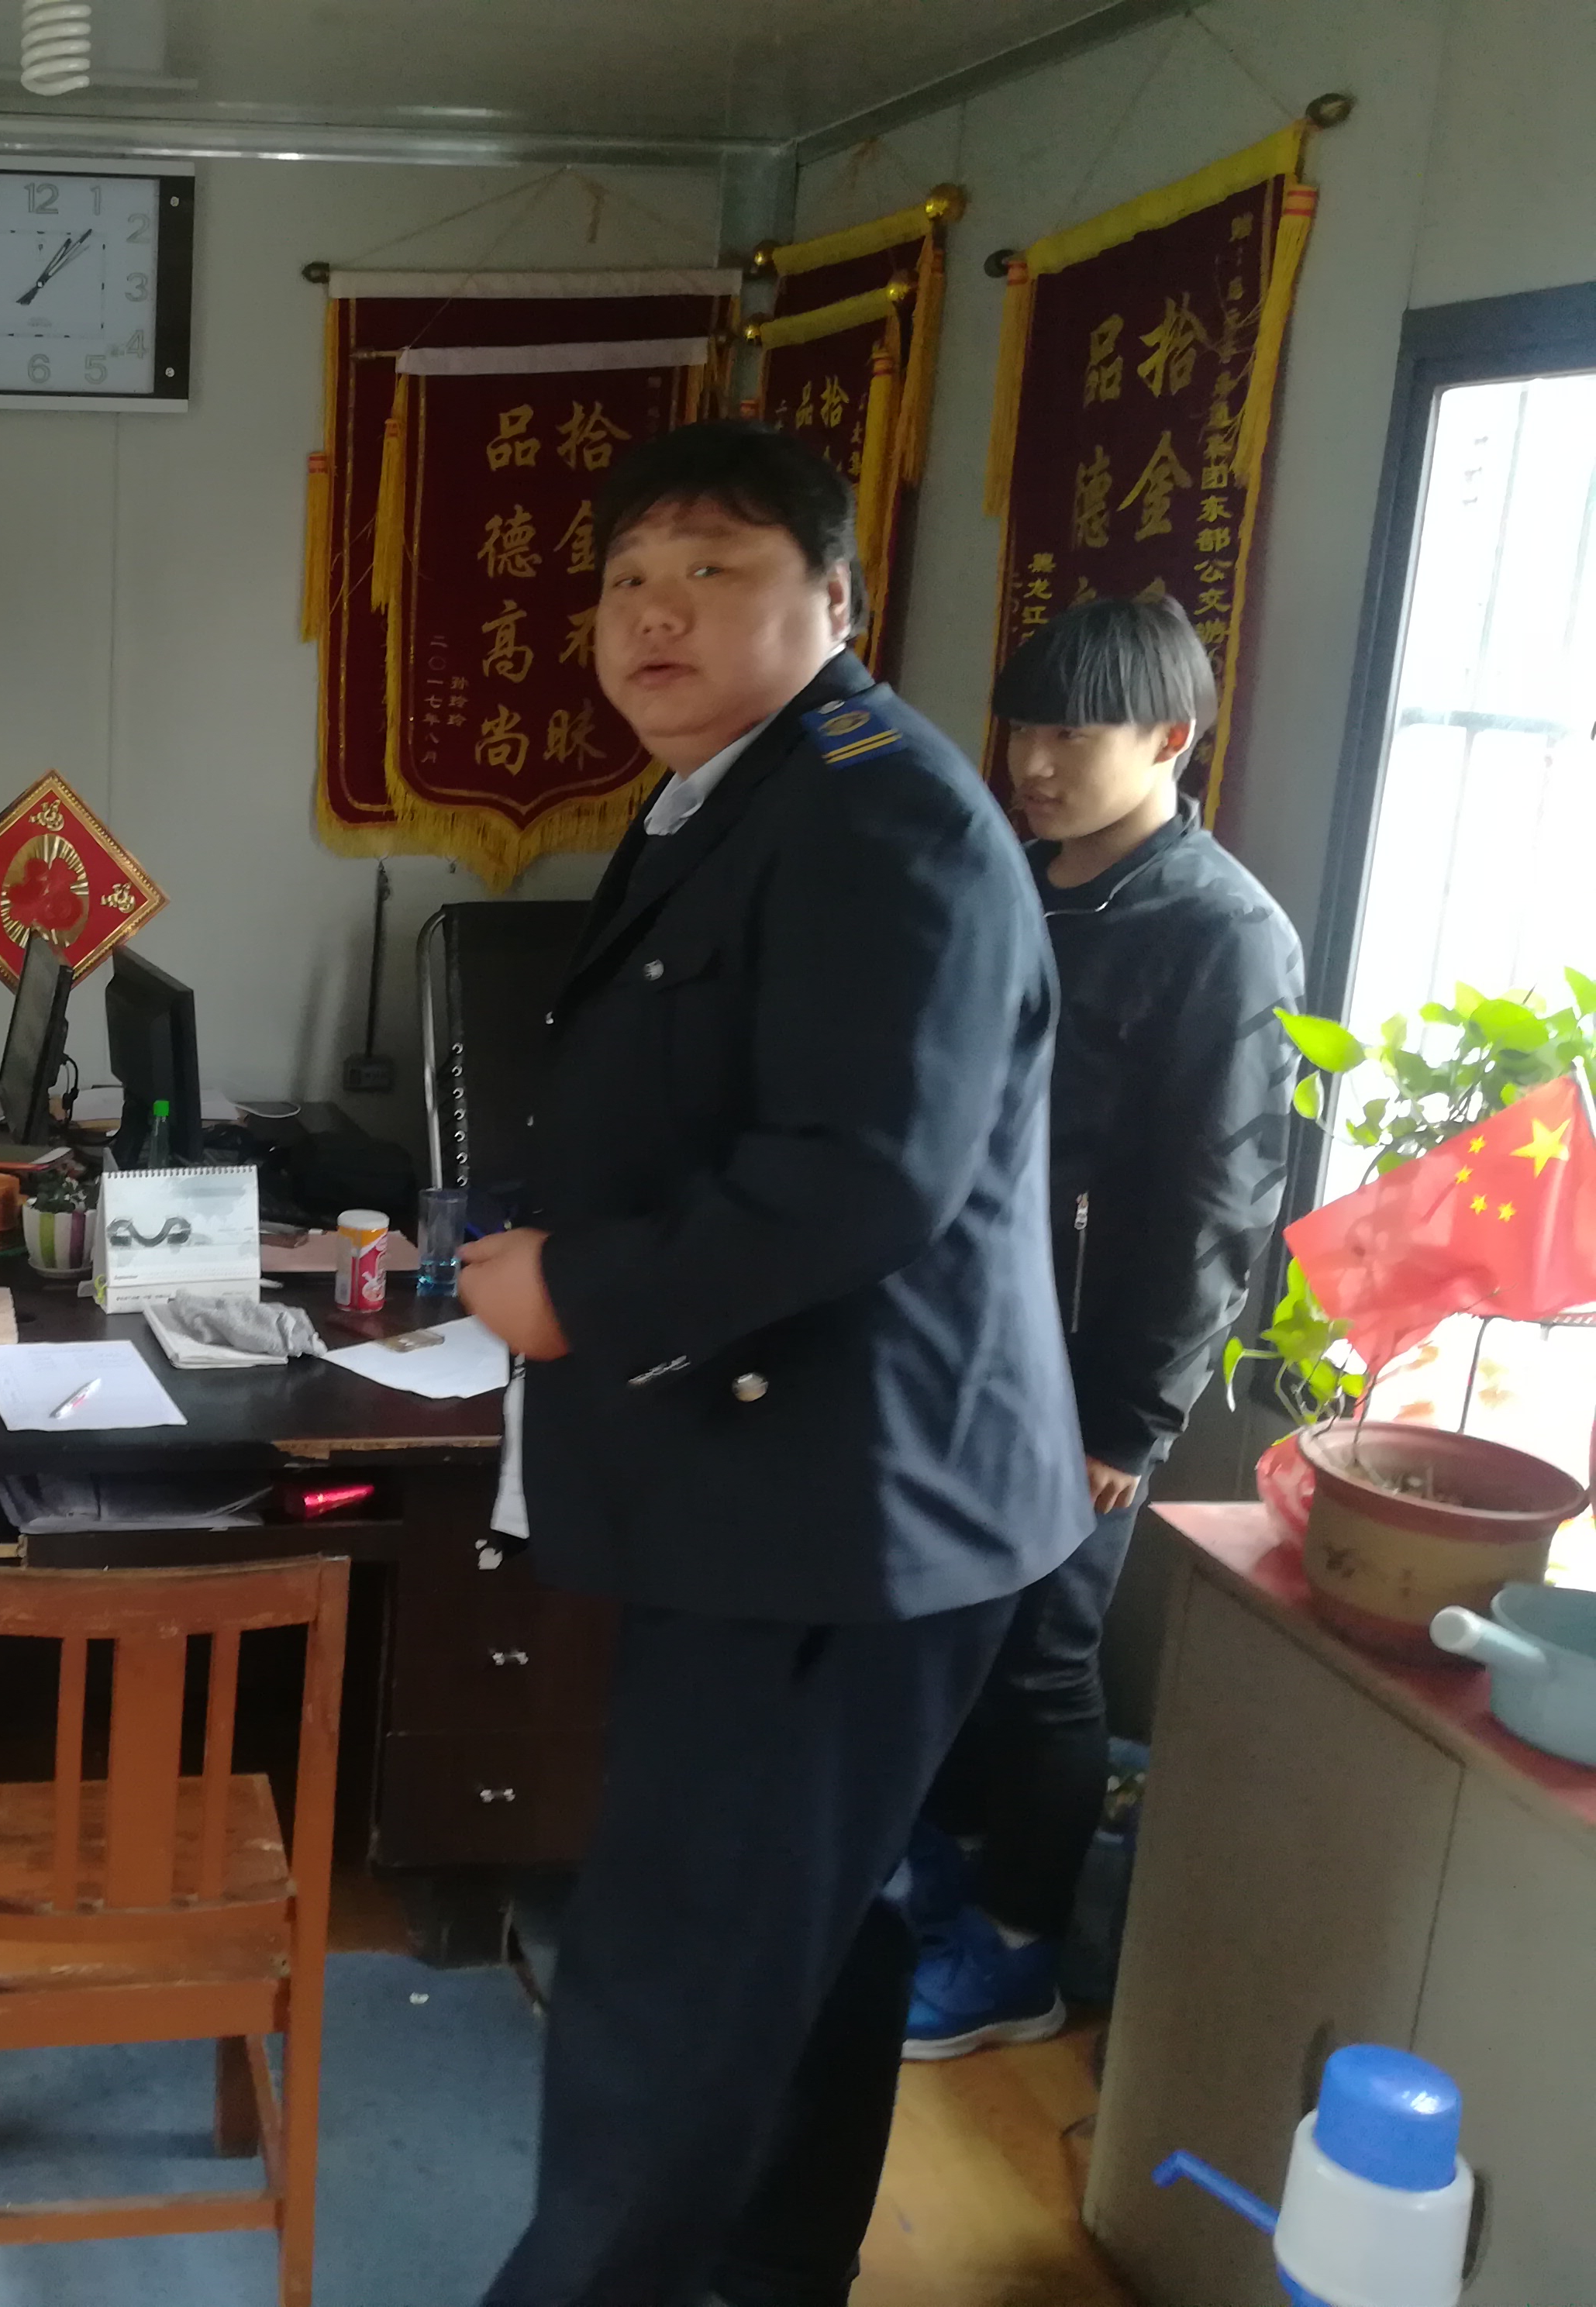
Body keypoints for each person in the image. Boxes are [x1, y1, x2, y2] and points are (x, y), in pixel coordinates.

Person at [455, 419, 1088, 2307]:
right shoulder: (748, 789)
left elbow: (859, 1177)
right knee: (794, 1949)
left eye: (712, 572)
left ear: (834, 598)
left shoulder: (879, 818)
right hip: (802, 1486)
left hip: (834, 1509)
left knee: (673, 1982)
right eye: (625, 581)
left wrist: (582, 1288)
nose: (653, 616)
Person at [901, 598, 1302, 2057]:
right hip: (962, 1340)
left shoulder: (1222, 931)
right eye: (1023, 727)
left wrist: (1133, 1418)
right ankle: (948, 1887)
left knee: (1046, 1654)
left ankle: (1020, 1956)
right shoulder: (1020, 880)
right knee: (953, 1629)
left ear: (1170, 738)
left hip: (1085, 1376)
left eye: (1075, 733)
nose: (1034, 762)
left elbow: (1220, 1204)